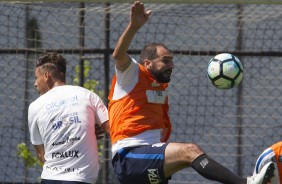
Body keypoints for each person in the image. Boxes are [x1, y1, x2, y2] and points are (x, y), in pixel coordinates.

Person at [108, 1, 275, 184]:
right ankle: (246, 183)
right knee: (189, 151)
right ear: (147, 63)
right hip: (129, 156)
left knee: (189, 156)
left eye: (172, 61)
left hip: (147, 156)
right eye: (166, 60)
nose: (172, 65)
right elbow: (118, 56)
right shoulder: (131, 74)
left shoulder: (159, 88)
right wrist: (134, 26)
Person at [28, 52, 109, 184]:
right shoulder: (87, 95)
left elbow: (41, 154)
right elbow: (111, 128)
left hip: (50, 178)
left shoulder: (34, 107)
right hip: (81, 179)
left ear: (46, 76)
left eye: (36, 78)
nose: (35, 83)